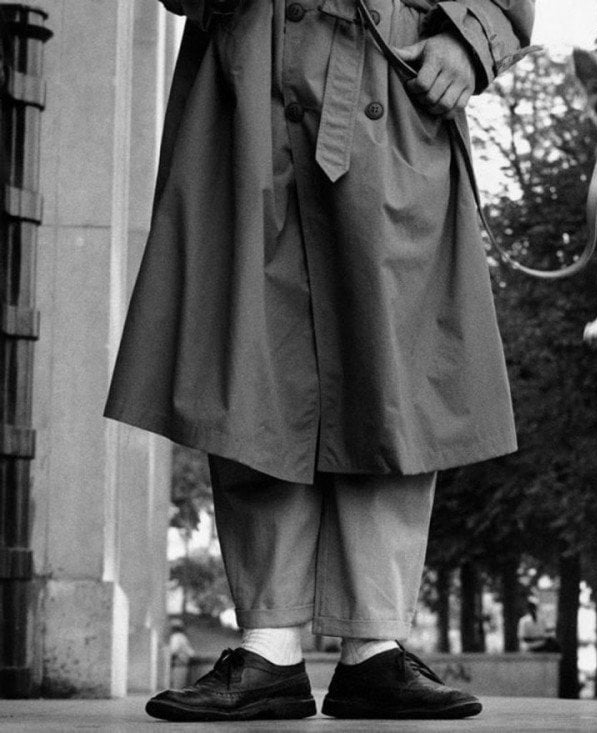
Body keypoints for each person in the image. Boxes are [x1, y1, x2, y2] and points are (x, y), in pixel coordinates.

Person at [105, 0, 534, 721]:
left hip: (394, 77)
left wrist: (472, 36)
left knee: (395, 367)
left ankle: (376, 644)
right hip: (248, 76)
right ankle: (269, 643)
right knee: (248, 361)